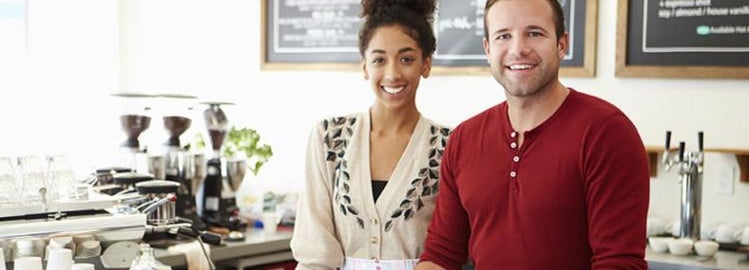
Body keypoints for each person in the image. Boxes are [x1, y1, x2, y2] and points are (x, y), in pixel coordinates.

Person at [415, 0, 650, 269]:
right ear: (488, 49)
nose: (518, 49)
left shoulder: (606, 133)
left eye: (535, 33)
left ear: (562, 44)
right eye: (504, 36)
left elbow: (618, 263)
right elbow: (442, 253)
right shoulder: (463, 139)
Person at [290, 0, 451, 269]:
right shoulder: (329, 137)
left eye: (407, 59)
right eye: (379, 59)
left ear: (426, 64)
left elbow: (453, 248)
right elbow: (314, 255)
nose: (392, 73)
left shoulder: (449, 144)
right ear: (365, 66)